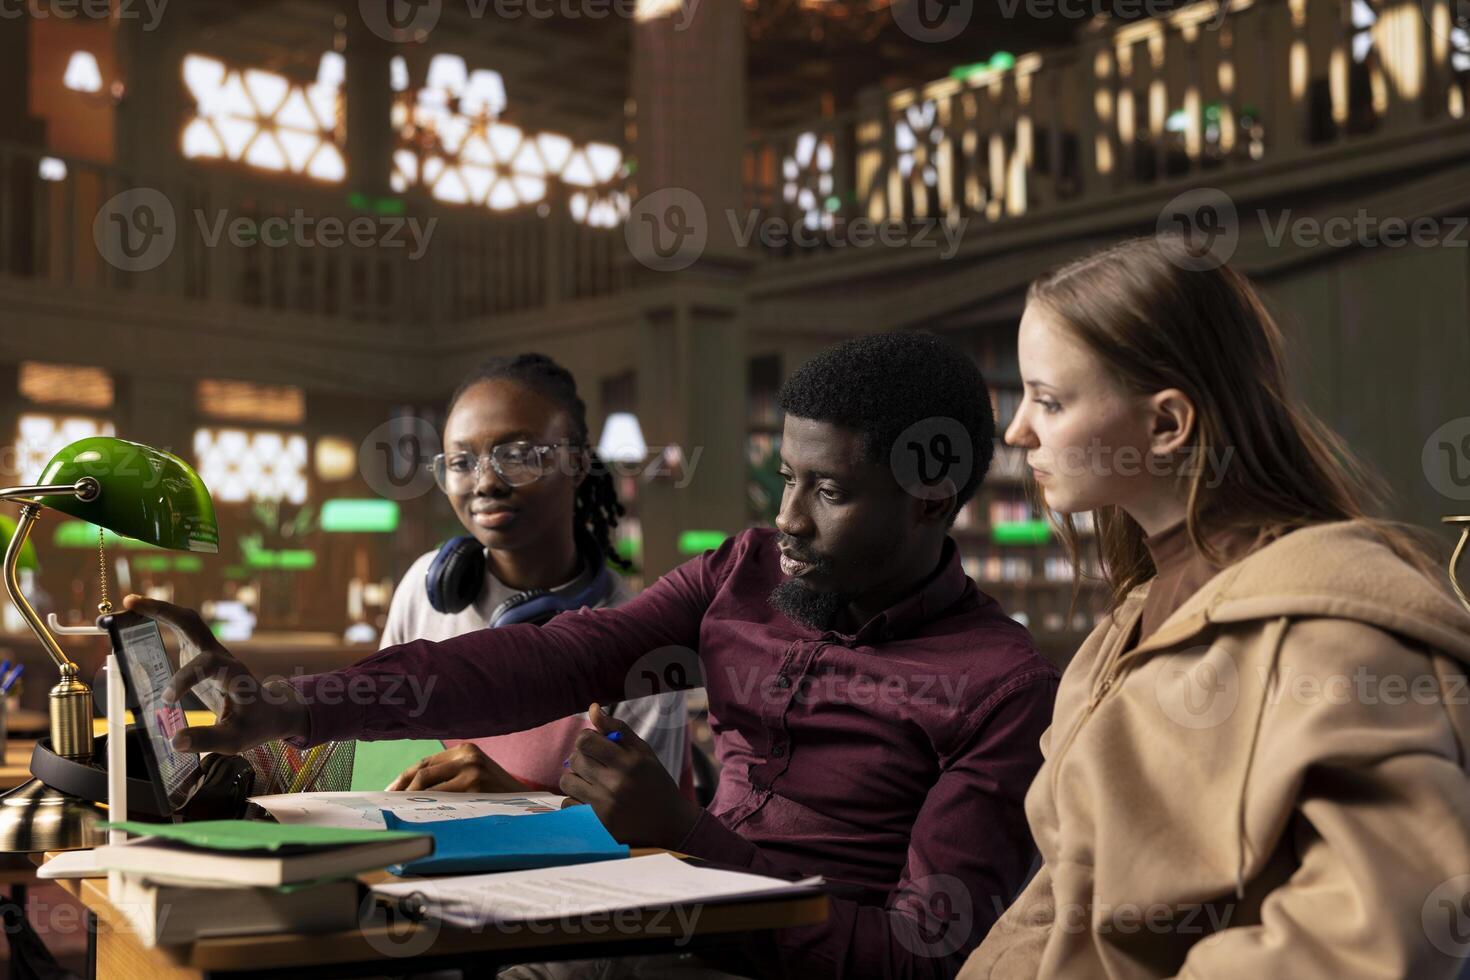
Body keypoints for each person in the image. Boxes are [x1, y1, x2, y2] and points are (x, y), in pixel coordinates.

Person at [131, 331, 1059, 979]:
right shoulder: (743, 572)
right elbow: (545, 659)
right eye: (786, 479)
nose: (787, 519)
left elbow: (918, 959)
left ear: (931, 499)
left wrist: (683, 835)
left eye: (830, 491)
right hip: (649, 928)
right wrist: (290, 707)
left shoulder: (1003, 689)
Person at [959, 236, 1470, 978]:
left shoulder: (1335, 632)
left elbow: (1381, 931)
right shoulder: (1120, 633)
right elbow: (1060, 902)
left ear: (1167, 425)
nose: (1018, 432)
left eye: (1049, 400)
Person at [377, 353, 689, 795]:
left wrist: (514, 799)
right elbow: (380, 751)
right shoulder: (421, 588)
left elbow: (652, 833)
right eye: (462, 462)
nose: (486, 482)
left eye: (519, 455)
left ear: (578, 465)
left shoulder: (640, 643)